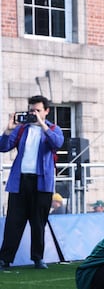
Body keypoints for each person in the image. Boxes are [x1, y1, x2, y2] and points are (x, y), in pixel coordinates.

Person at [0, 95, 64, 271]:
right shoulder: (21, 129)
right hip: (20, 181)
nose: (33, 113)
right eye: (31, 110)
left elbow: (57, 143)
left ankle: (38, 258)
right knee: (14, 221)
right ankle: (5, 259)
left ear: (46, 111)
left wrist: (42, 125)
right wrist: (8, 129)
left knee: (38, 222)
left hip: (42, 183)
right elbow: (2, 146)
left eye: (37, 110)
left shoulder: (53, 128)